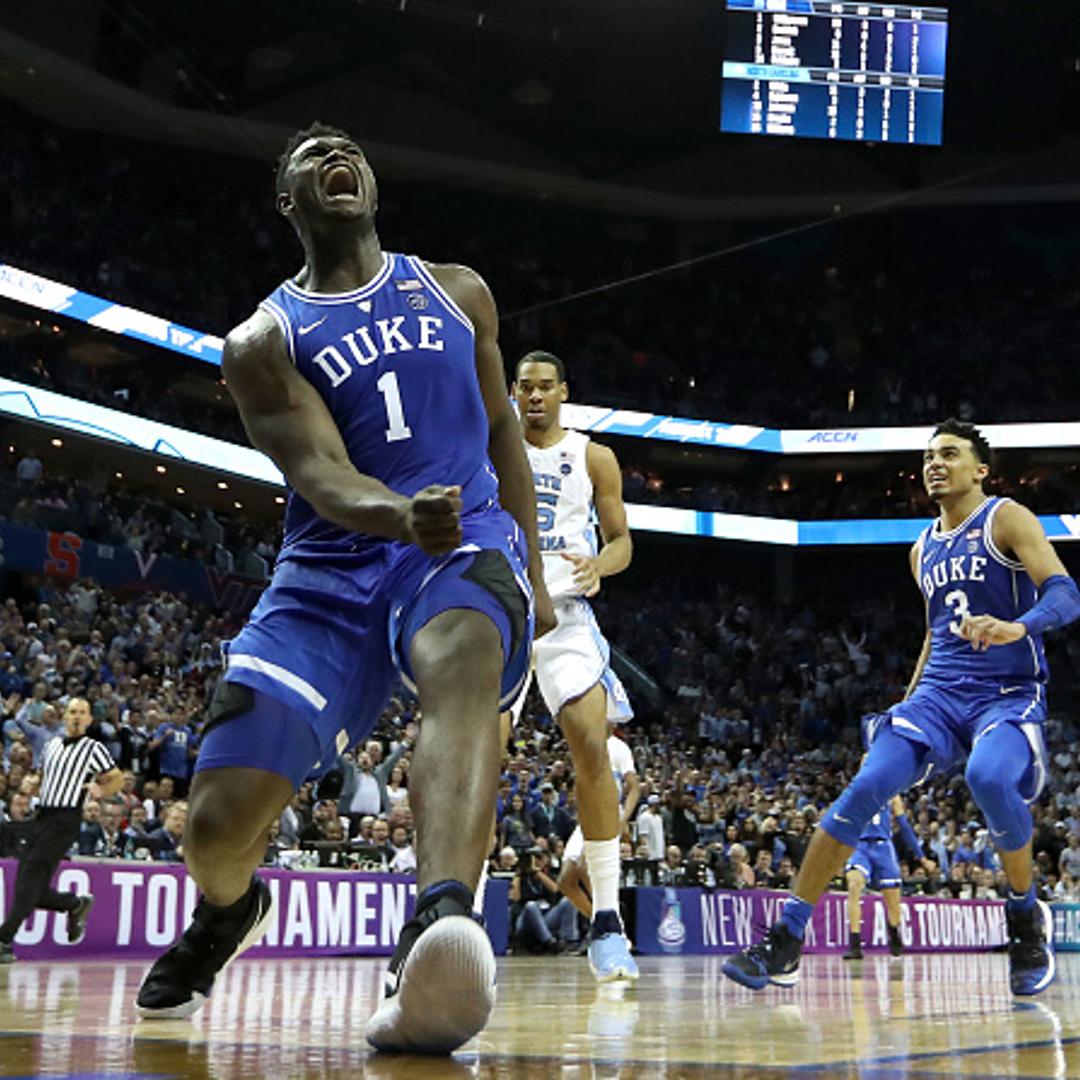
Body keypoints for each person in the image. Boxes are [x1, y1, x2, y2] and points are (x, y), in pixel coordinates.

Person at [134, 122, 553, 1056]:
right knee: (214, 826)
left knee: (464, 650)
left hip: (457, 540)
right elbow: (320, 473)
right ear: (289, 200)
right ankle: (227, 911)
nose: (336, 153)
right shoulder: (261, 339)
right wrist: (400, 512)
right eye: (310, 152)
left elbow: (500, 431)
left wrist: (527, 562)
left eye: (349, 147)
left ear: (371, 184)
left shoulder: (456, 290)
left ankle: (439, 923)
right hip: (327, 571)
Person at [723, 419, 1080, 997]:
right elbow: (934, 636)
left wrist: (1019, 627)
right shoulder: (922, 548)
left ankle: (1023, 917)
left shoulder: (1006, 517)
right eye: (928, 456)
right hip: (938, 695)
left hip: (1006, 694)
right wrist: (910, 702)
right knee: (866, 787)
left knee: (988, 777)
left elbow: (1066, 593)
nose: (934, 463)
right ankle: (786, 939)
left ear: (980, 469)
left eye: (949, 454)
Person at [509, 351, 638, 983]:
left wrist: (599, 566)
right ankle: (449, 910)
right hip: (500, 607)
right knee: (477, 752)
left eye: (544, 387)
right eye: (524, 387)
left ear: (564, 390)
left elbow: (622, 542)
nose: (534, 396)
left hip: (565, 612)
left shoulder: (593, 456)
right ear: (512, 392)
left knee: (590, 737)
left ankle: (607, 920)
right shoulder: (491, 445)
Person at [0, 698, 121, 962]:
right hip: (41, 816)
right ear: (65, 717)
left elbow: (116, 778)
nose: (77, 717)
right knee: (27, 886)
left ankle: (4, 938)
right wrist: (35, 786)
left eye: (82, 713)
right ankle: (74, 904)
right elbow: (45, 775)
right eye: (73, 712)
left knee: (30, 876)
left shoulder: (94, 748)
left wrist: (102, 789)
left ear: (89, 719)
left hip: (65, 820)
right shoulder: (51, 745)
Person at [557, 733, 640, 970]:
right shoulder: (582, 741)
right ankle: (605, 928)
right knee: (565, 881)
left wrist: (624, 818)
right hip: (584, 818)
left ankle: (609, 928)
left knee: (584, 868)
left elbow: (634, 788)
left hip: (607, 815)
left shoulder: (619, 747)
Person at [842, 794, 910, 960]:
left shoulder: (893, 794)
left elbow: (904, 826)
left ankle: (894, 931)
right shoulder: (855, 791)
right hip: (860, 845)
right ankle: (855, 944)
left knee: (893, 901)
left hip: (883, 846)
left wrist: (921, 856)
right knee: (853, 885)